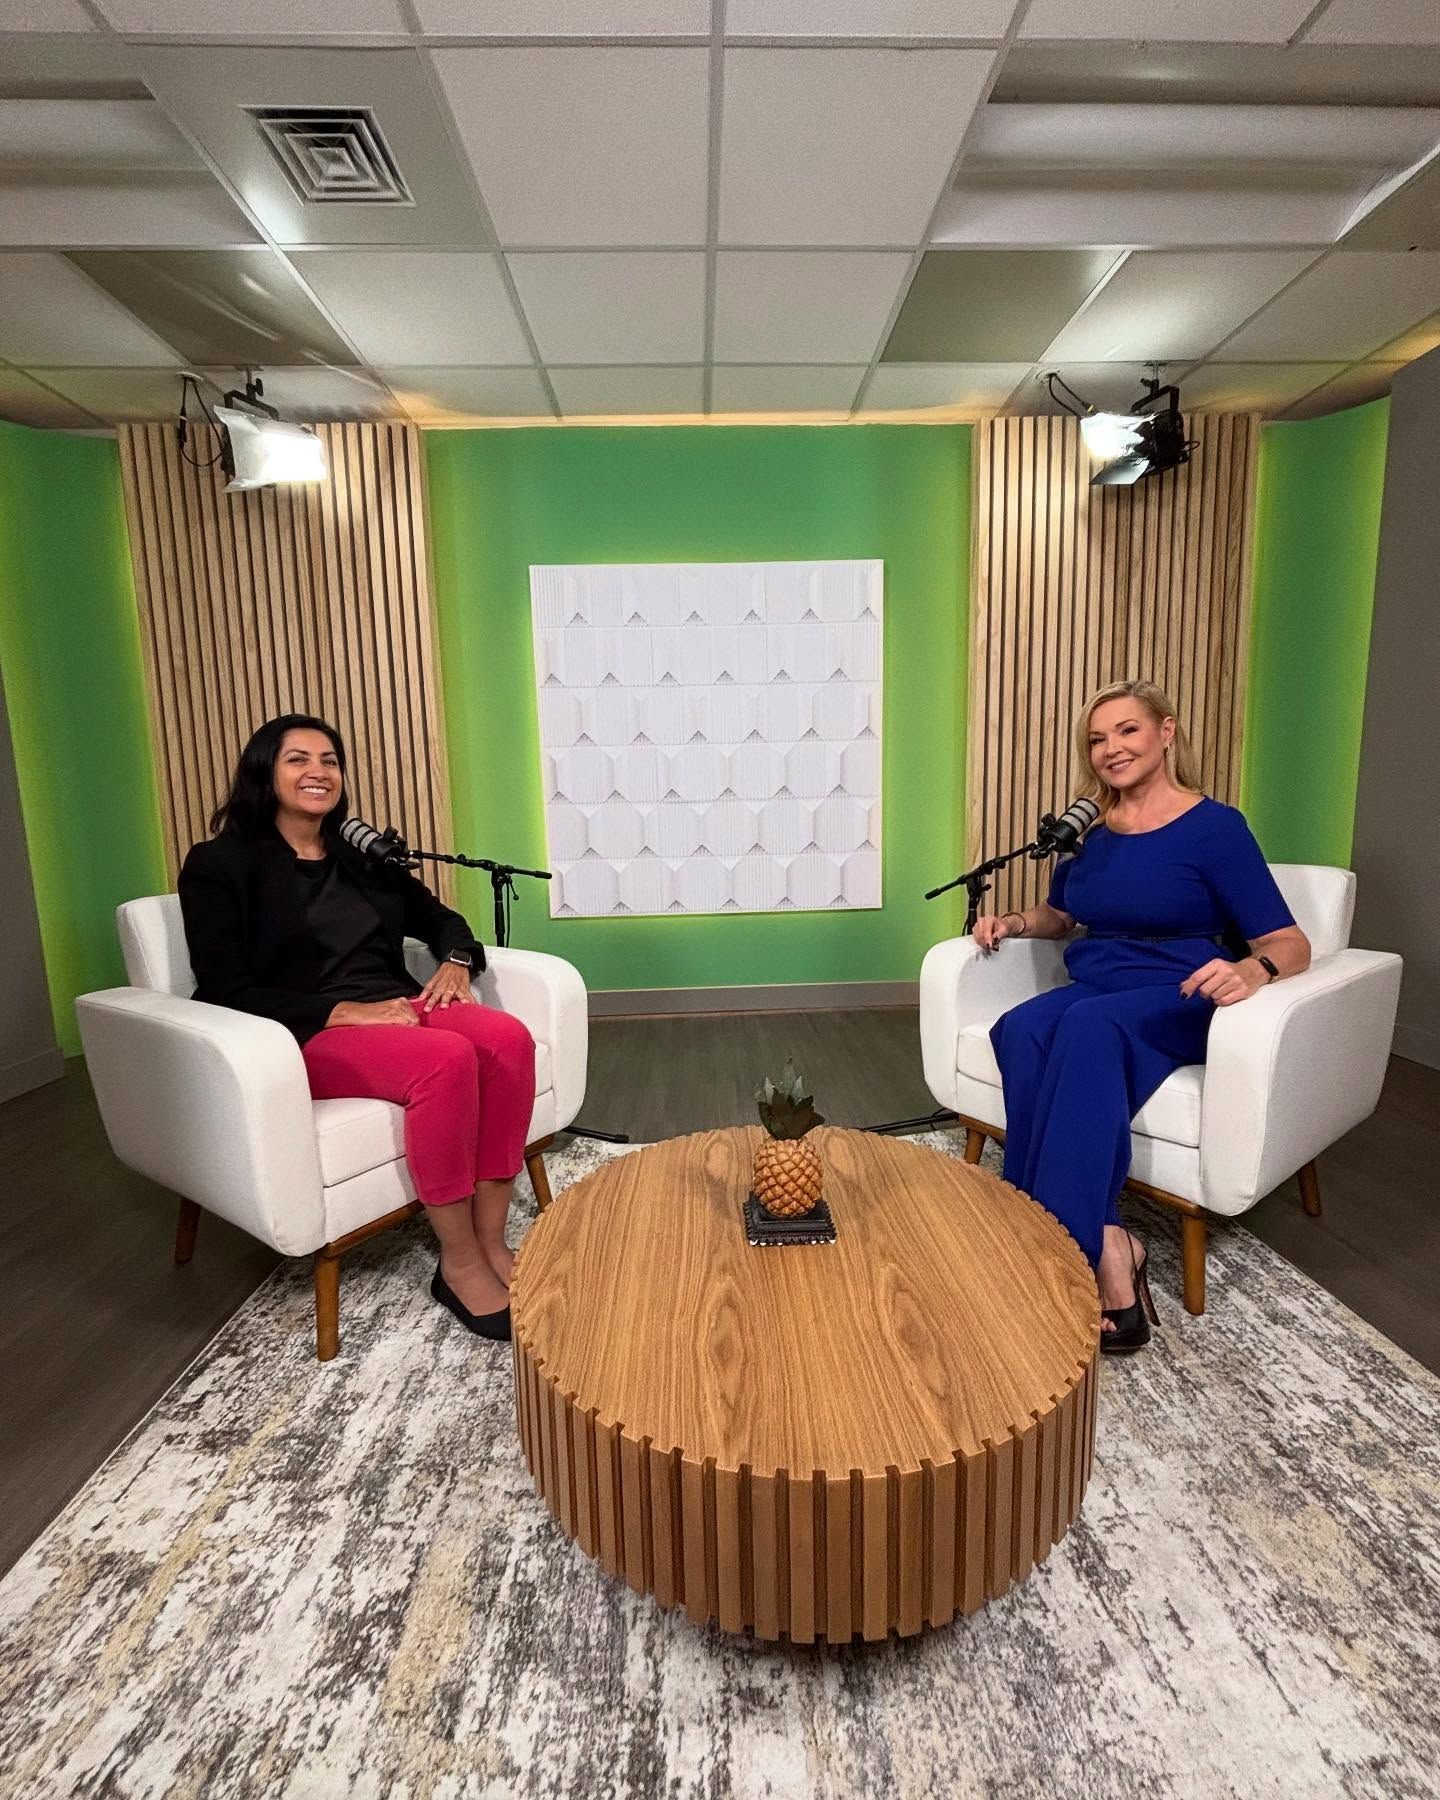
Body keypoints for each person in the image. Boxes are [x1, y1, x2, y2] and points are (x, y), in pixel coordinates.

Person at [973, 680, 1310, 1353]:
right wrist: (1012, 922)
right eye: (1098, 739)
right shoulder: (1090, 835)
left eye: (1127, 730)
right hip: (1101, 984)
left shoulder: (1215, 828)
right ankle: (1085, 1234)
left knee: (1088, 1028)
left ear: (1166, 732)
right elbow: (1061, 915)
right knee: (1020, 1027)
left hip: (1178, 991)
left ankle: (1081, 1258)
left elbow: (1289, 942)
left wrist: (1251, 970)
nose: (1111, 749)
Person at [178, 714, 535, 1342]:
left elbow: (442, 918)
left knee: (509, 1040)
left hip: (394, 1004)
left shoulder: (362, 858)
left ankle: (489, 1241)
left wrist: (456, 960)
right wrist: (342, 1011)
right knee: (445, 1059)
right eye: (297, 759)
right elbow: (224, 985)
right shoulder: (220, 864)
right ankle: (457, 1265)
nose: (318, 771)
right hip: (304, 1029)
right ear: (264, 772)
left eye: (329, 760)